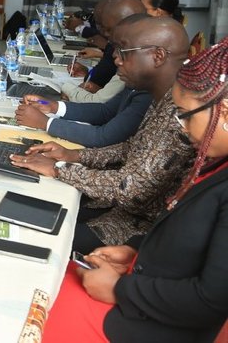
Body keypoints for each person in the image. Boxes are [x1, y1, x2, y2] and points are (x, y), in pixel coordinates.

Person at [41, 37, 228, 343]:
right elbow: (189, 242)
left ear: (225, 113)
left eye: (187, 115)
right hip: (143, 286)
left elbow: (211, 301)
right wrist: (136, 252)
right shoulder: (215, 163)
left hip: (149, 323)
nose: (182, 126)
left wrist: (120, 289)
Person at [10, 15, 195, 254]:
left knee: (29, 234)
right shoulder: (163, 95)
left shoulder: (181, 112)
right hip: (121, 209)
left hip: (138, 229)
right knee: (27, 205)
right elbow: (131, 147)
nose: (115, 58)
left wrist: (59, 169)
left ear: (158, 56)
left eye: (123, 51)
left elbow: (131, 188)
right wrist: (73, 155)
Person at [15, 17, 154, 147]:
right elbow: (104, 111)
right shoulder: (137, 83)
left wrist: (46, 123)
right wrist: (52, 106)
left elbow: (103, 136)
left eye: (122, 50)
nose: (114, 56)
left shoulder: (148, 95)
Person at [60, 0, 146, 103]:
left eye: (109, 29)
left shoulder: (134, 59)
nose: (104, 33)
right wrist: (87, 73)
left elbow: (100, 103)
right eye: (100, 26)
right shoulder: (125, 50)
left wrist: (66, 88)